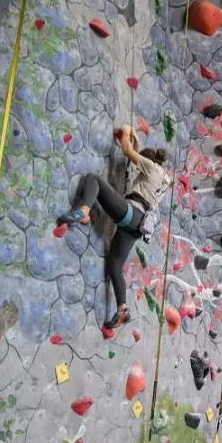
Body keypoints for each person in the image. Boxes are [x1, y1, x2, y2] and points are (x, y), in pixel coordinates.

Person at [57, 125, 172, 330]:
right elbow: (137, 156)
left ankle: (84, 210)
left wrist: (127, 131)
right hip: (137, 228)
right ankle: (122, 309)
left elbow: (128, 151)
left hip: (133, 213)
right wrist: (136, 142)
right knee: (114, 267)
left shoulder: (152, 168)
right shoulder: (164, 179)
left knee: (93, 179)